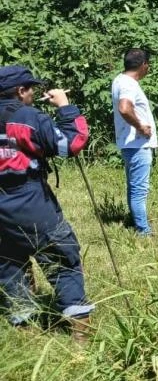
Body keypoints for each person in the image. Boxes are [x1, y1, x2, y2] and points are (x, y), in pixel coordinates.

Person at [0, 65, 95, 338]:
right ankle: (79, 329)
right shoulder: (27, 117)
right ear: (20, 91)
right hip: (30, 199)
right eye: (31, 88)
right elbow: (72, 144)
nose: (33, 93)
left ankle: (23, 324)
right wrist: (65, 107)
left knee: (9, 260)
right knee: (61, 255)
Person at [111, 48, 157, 236]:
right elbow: (124, 108)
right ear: (143, 64)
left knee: (133, 185)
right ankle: (143, 230)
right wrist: (141, 126)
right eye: (149, 64)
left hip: (129, 143)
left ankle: (134, 221)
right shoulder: (129, 84)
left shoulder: (119, 80)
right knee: (139, 188)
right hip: (137, 144)